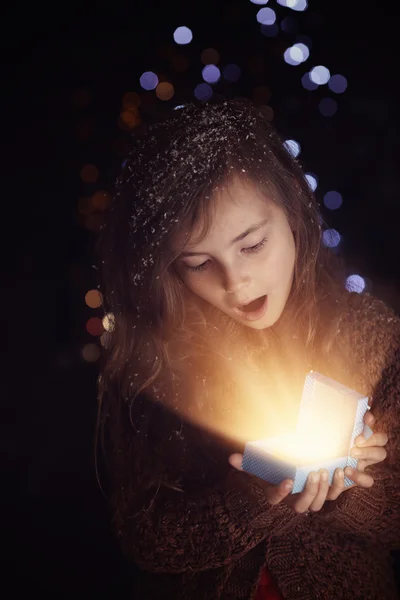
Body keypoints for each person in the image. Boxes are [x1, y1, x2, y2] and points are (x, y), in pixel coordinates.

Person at [96, 99, 400, 599]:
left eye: (252, 245)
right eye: (198, 263)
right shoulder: (160, 367)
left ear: (294, 218)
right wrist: (261, 491)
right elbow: (145, 540)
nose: (235, 282)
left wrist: (348, 492)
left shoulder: (368, 335)